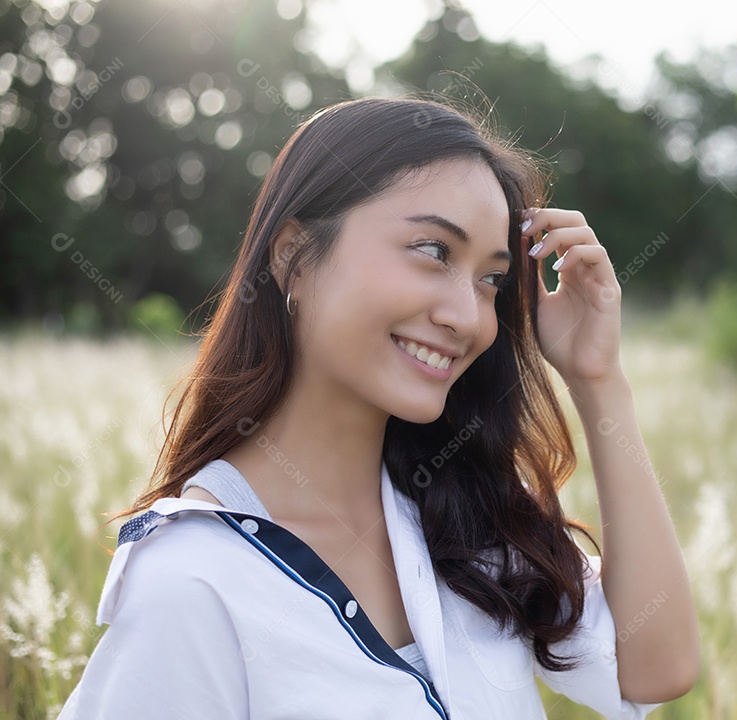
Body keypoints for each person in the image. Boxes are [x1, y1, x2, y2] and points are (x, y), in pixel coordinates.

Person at [57, 96, 699, 719]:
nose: (467, 317)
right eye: (432, 251)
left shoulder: (462, 522)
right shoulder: (194, 582)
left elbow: (653, 667)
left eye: (491, 280)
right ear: (293, 257)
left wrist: (597, 378)